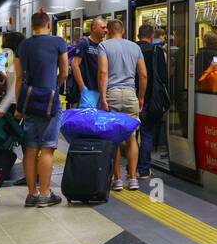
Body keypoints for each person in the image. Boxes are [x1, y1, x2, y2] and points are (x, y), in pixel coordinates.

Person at [14, 12, 67, 207]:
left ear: (32, 25)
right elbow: (65, 71)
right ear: (48, 25)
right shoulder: (58, 42)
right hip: (49, 100)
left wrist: (19, 106)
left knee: (30, 148)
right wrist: (56, 84)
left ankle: (32, 194)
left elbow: (19, 78)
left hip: (28, 101)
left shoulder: (23, 45)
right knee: (47, 148)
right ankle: (45, 194)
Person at [98, 18, 147, 191]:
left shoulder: (104, 46)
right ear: (123, 31)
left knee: (115, 140)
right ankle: (133, 179)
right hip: (130, 95)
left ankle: (117, 180)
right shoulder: (135, 47)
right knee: (132, 137)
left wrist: (103, 97)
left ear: (108, 31)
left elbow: (103, 72)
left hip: (112, 94)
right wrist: (140, 97)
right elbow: (143, 75)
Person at [136, 23, 170, 179]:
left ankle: (131, 169)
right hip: (151, 99)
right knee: (147, 135)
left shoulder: (132, 49)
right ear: (151, 37)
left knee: (130, 136)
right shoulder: (157, 51)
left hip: (132, 97)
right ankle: (143, 170)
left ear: (138, 36)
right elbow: (164, 77)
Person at [72, 16, 108, 109]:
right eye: (103, 27)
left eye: (106, 27)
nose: (106, 30)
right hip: (89, 90)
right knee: (87, 120)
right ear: (94, 28)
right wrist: (82, 88)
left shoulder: (103, 46)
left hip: (102, 90)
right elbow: (75, 65)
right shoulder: (84, 43)